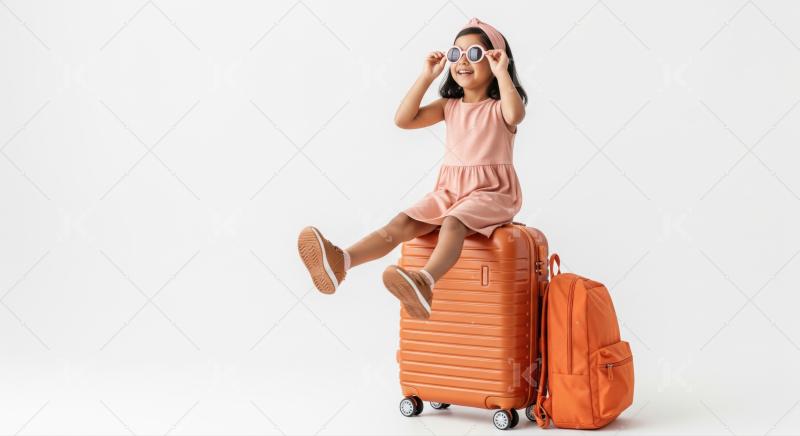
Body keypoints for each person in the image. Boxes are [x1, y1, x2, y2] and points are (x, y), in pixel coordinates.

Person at [297, 17, 528, 320]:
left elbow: (516, 113)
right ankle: (343, 260)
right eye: (456, 54)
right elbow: (403, 120)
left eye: (474, 54)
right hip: (450, 190)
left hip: (492, 192)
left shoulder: (499, 108)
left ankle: (425, 280)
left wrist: (503, 74)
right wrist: (426, 77)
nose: (462, 62)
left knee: (453, 223)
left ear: (495, 59)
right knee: (402, 222)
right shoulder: (449, 106)